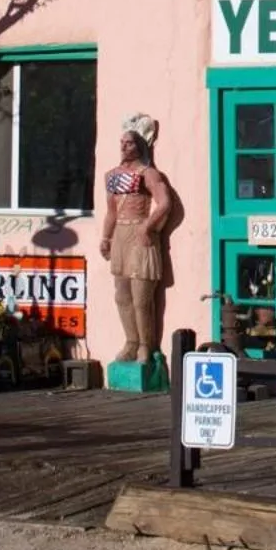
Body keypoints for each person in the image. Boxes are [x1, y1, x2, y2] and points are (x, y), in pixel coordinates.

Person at [99, 113, 171, 363]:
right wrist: (106, 237)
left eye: (129, 143)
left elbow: (164, 203)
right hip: (120, 233)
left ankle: (145, 345)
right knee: (122, 295)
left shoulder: (148, 173)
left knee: (142, 298)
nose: (124, 147)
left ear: (140, 145)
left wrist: (148, 226)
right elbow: (110, 211)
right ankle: (130, 341)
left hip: (141, 234)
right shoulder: (112, 175)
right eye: (122, 142)